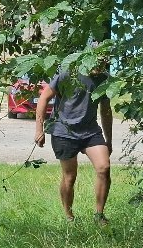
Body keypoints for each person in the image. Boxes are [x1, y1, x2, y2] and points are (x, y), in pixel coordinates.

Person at [33, 66, 113, 224]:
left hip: (90, 131)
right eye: (99, 59)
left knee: (104, 168)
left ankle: (99, 215)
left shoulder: (104, 79)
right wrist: (39, 130)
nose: (102, 63)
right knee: (69, 177)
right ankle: (69, 216)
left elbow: (105, 110)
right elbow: (44, 98)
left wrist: (108, 139)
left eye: (106, 59)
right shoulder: (68, 72)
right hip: (64, 131)